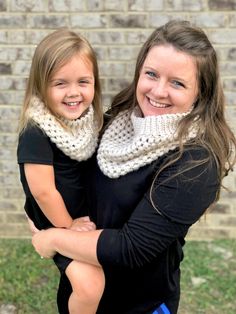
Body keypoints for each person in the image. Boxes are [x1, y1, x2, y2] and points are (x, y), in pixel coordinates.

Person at [31, 20, 236, 314]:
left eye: (177, 83)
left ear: (200, 93)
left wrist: (51, 237)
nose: (159, 91)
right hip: (84, 291)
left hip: (139, 304)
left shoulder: (196, 163)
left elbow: (131, 248)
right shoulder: (119, 122)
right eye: (151, 74)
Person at [17, 29, 105, 314]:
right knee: (89, 285)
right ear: (42, 86)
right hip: (59, 223)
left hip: (83, 220)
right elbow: (43, 191)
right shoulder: (36, 130)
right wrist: (69, 228)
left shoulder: (90, 123)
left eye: (83, 81)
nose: (74, 92)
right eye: (60, 83)